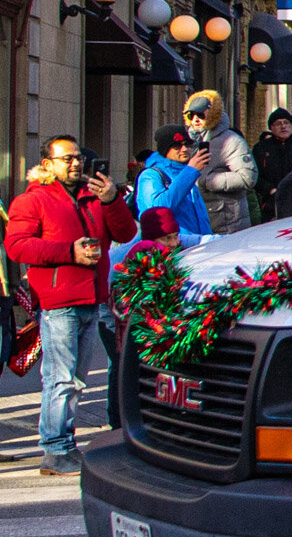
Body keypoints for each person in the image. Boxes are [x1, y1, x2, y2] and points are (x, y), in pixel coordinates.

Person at [3, 135, 137, 475]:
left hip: (92, 297)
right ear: (48, 163)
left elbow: (124, 233)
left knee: (76, 378)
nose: (75, 163)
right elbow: (17, 247)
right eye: (66, 159)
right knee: (60, 378)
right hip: (59, 300)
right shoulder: (32, 201)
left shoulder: (94, 197)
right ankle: (55, 448)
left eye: (78, 157)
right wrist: (69, 253)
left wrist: (111, 200)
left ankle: (66, 444)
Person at [110, 125, 216, 267]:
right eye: (177, 146)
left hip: (199, 252)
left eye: (187, 144)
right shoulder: (151, 175)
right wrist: (190, 172)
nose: (184, 149)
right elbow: (157, 211)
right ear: (165, 149)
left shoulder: (187, 172)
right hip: (171, 256)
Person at [183, 90, 257, 234]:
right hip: (199, 218)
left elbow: (248, 177)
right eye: (191, 115)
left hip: (228, 221)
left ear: (212, 114)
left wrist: (208, 181)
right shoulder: (187, 141)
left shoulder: (231, 141)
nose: (196, 119)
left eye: (201, 114)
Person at [250, 108, 292, 220]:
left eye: (286, 123)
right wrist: (269, 189)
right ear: (271, 127)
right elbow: (254, 175)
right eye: (278, 124)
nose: (283, 126)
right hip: (272, 205)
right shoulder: (261, 148)